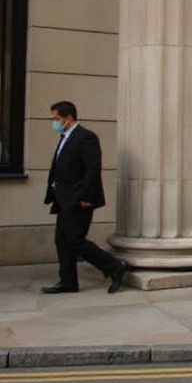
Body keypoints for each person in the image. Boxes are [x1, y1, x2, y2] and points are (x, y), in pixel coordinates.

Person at [41, 101, 128, 294]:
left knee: (75, 240)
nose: (54, 123)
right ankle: (68, 281)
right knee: (62, 241)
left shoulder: (86, 138)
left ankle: (114, 266)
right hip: (63, 199)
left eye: (56, 119)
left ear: (68, 117)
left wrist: (86, 197)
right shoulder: (64, 138)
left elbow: (92, 170)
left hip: (79, 199)